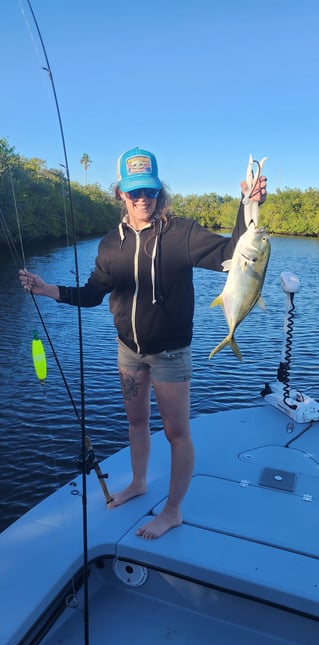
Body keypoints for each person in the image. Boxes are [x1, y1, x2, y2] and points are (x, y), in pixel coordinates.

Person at [19, 147, 267, 540]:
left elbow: (231, 253)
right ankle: (138, 483)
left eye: (148, 192)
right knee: (136, 422)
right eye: (133, 192)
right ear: (120, 193)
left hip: (171, 352)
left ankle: (172, 511)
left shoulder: (182, 233)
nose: (141, 200)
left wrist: (248, 204)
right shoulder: (109, 245)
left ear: (159, 192)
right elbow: (91, 295)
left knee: (176, 432)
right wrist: (46, 288)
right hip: (128, 351)